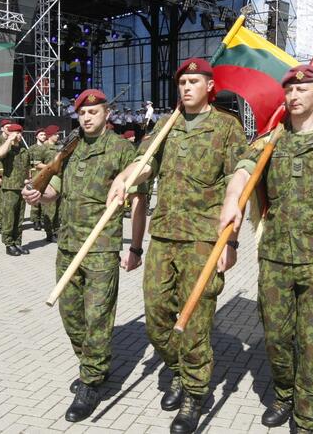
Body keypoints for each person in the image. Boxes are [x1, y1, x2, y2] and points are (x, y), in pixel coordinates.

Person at [218, 65, 313, 433]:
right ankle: (284, 393)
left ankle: (307, 416)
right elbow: (242, 170)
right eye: (289, 89)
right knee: (275, 335)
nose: (294, 95)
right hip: (275, 258)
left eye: (303, 89)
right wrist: (231, 200)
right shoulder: (271, 140)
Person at [107, 57, 248, 434]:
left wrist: (231, 241)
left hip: (204, 240)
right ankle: (176, 369)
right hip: (165, 235)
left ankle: (194, 393)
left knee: (196, 321)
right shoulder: (166, 124)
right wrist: (125, 177)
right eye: (182, 82)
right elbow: (145, 162)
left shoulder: (227, 127)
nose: (186, 87)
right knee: (156, 319)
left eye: (193, 81)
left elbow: (241, 184)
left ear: (209, 86)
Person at [22, 89, 148, 423]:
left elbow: (138, 200)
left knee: (98, 317)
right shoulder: (72, 148)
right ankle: (91, 362)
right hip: (67, 245)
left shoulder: (122, 150)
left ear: (108, 114)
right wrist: (39, 195)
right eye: (82, 113)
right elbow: (56, 190)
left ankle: (92, 380)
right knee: (71, 315)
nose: (87, 117)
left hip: (101, 248)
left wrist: (135, 248)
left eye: (94, 112)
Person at [0, 123, 30, 256]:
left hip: (22, 188)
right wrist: (9, 139)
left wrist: (28, 181)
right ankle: (8, 243)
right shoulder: (7, 148)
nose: (19, 135)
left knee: (19, 218)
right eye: (17, 133)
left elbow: (27, 169)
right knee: (9, 217)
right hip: (10, 187)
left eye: (21, 133)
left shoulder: (24, 150)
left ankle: (17, 242)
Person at [28, 125, 61, 240]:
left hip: (59, 181)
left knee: (58, 209)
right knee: (49, 209)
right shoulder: (42, 148)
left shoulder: (59, 148)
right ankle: (50, 233)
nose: (58, 136)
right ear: (50, 135)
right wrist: (51, 167)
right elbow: (36, 164)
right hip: (48, 181)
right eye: (56, 134)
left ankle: (57, 231)